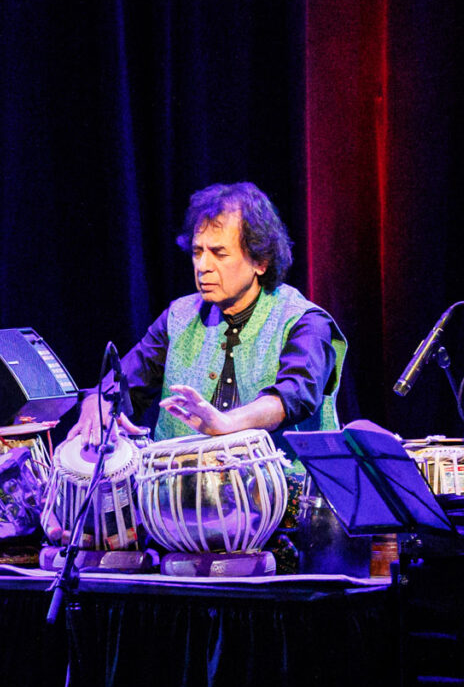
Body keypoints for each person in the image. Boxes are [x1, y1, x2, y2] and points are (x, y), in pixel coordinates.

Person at [66, 182, 348, 569]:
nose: (202, 265)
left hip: (289, 522)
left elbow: (294, 395)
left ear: (260, 261)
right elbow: (122, 381)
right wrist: (97, 406)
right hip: (179, 518)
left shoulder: (304, 321)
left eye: (219, 253)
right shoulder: (180, 318)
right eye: (198, 252)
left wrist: (226, 423)